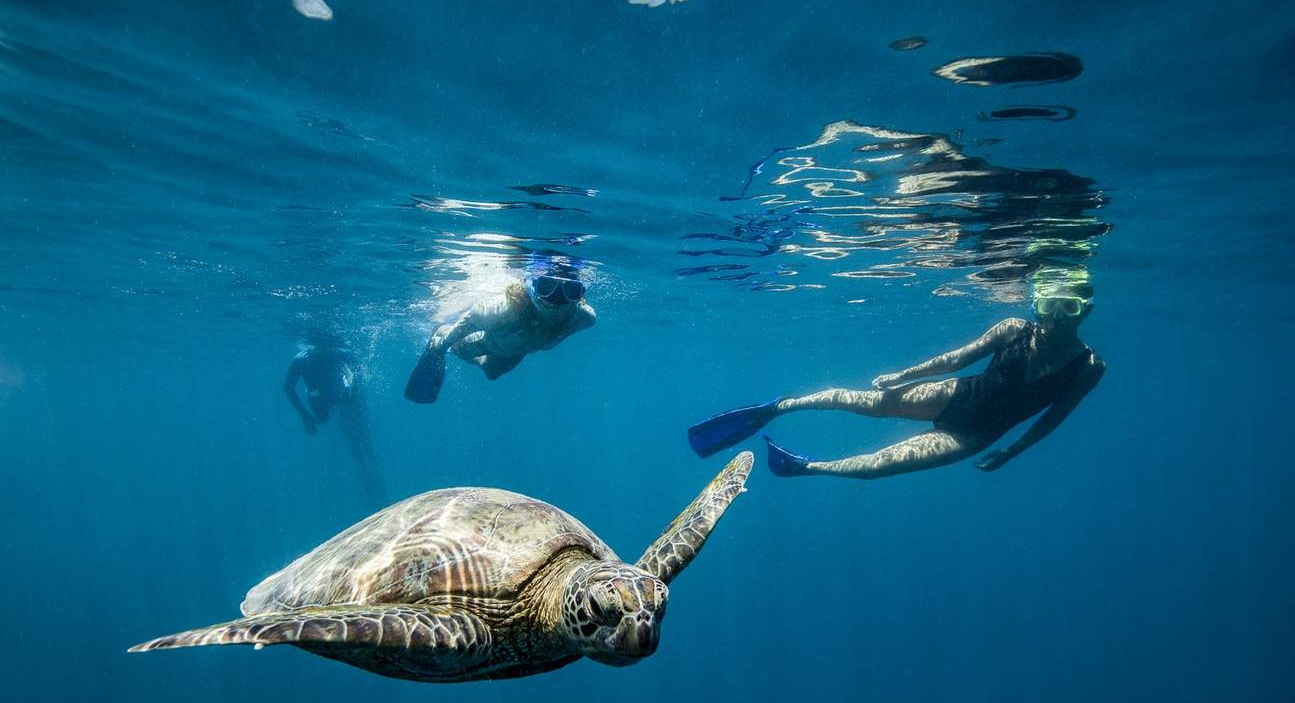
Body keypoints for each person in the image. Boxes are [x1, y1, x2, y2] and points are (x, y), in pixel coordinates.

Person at [687, 286, 1105, 479]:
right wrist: (904, 377)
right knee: (862, 402)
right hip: (953, 395)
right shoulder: (1015, 328)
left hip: (974, 434)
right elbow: (957, 358)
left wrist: (1011, 452)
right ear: (1038, 304)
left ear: (1084, 311)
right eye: (1048, 305)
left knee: (880, 467)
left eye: (1068, 308)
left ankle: (805, 467)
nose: (1056, 317)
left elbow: (1055, 418)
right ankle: (779, 407)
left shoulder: (1087, 367)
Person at [405, 273, 596, 403]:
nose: (556, 299)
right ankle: (441, 331)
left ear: (579, 294)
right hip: (488, 342)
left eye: (570, 290)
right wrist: (441, 345)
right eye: (547, 286)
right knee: (455, 348)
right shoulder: (499, 310)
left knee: (492, 373)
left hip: (518, 348)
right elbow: (467, 323)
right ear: (531, 287)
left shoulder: (582, 318)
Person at [283, 335, 387, 503]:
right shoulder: (301, 360)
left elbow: (358, 370)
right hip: (320, 402)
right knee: (344, 436)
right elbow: (288, 388)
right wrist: (305, 416)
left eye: (327, 346)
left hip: (341, 398)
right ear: (313, 345)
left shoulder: (338, 353)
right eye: (321, 347)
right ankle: (367, 473)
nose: (325, 350)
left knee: (363, 441)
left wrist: (352, 390)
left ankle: (373, 473)